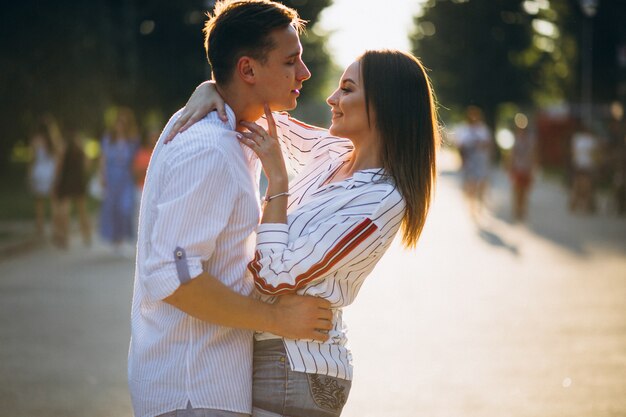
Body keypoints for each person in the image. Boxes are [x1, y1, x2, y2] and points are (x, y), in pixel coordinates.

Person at [171, 49, 440, 417]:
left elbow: (272, 275)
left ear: (384, 104)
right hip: (273, 355)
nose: (332, 98)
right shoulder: (333, 152)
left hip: (297, 368)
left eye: (346, 89)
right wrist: (209, 87)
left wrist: (278, 184)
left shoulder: (380, 200)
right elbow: (255, 116)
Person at [128, 2, 332, 417]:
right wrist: (278, 320)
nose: (304, 73)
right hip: (193, 392)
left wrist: (211, 87)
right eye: (291, 61)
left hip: (203, 388)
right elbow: (174, 276)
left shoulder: (233, 130)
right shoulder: (211, 148)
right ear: (249, 70)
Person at [99, 106, 140, 254]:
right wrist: (102, 176)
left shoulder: (132, 140)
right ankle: (115, 240)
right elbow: (103, 159)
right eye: (119, 122)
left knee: (125, 207)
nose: (120, 125)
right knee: (112, 209)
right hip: (112, 177)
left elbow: (136, 160)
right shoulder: (108, 139)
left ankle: (124, 238)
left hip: (126, 178)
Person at [53, 125, 92, 248]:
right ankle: (87, 234)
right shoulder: (80, 146)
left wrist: (56, 181)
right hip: (78, 181)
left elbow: (58, 166)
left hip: (66, 181)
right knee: (82, 210)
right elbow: (87, 164)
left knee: (65, 210)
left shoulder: (63, 146)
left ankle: (64, 237)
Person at [455, 105, 492, 218]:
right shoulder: (464, 129)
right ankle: (472, 207)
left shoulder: (482, 129)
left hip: (480, 161)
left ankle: (479, 205)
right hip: (469, 162)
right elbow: (459, 146)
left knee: (481, 184)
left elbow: (489, 144)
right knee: (470, 185)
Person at [27, 123, 58, 237]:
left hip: (39, 172)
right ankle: (55, 226)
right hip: (50, 171)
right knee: (53, 201)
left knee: (39, 202)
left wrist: (30, 175)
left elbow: (32, 159)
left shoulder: (35, 140)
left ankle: (40, 227)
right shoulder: (54, 141)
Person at [508, 124, 536, 221]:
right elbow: (512, 154)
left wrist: (532, 168)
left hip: (526, 168)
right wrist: (510, 166)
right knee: (517, 190)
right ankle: (517, 209)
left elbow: (533, 155)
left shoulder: (530, 141)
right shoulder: (516, 140)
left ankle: (522, 209)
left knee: (524, 191)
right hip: (518, 168)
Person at [569, 123, 598, 213]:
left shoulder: (592, 140)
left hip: (588, 166)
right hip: (580, 165)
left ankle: (585, 205)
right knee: (578, 185)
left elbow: (596, 154)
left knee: (587, 186)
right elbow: (573, 151)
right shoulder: (578, 138)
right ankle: (575, 204)